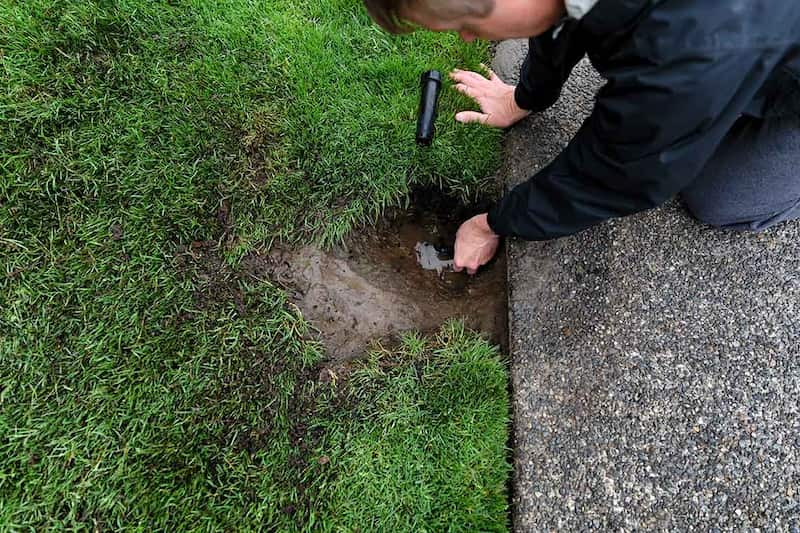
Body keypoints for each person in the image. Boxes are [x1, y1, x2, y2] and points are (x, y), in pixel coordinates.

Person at [364, 0, 800, 274]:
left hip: (755, 55)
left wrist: (490, 224)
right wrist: (526, 96)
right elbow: (559, 16)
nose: (466, 36)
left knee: (718, 197)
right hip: (747, 44)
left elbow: (618, 174)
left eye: (468, 19)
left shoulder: (686, 48)